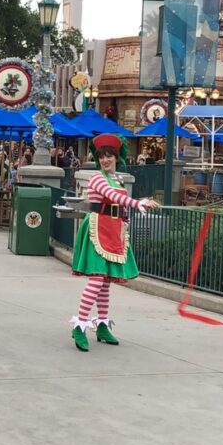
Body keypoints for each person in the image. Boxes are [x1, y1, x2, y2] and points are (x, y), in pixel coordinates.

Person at [70, 133, 160, 352]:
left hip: (113, 229)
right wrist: (137, 203)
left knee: (106, 282)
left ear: (117, 158)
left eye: (110, 156)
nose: (105, 160)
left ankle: (101, 325)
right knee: (97, 279)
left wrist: (134, 210)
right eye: (102, 156)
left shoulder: (118, 178)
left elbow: (119, 202)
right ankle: (80, 325)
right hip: (97, 228)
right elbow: (114, 196)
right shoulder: (98, 178)